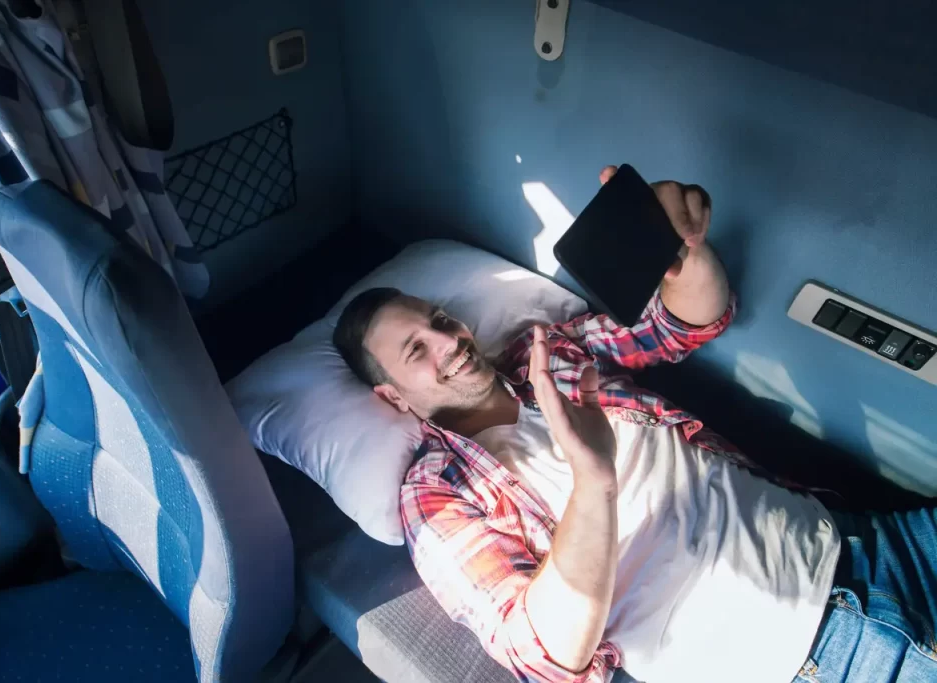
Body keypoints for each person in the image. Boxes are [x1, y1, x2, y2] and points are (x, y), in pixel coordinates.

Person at [332, 166, 937, 683]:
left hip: (865, 540)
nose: (449, 340)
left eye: (440, 320)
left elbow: (683, 324)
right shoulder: (436, 494)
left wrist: (683, 250)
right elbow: (544, 654)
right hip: (807, 656)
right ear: (393, 397)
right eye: (416, 350)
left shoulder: (539, 350)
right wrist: (594, 481)